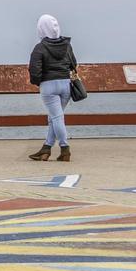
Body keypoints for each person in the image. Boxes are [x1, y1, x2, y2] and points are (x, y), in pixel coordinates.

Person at [27, 14, 77, 162]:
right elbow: (73, 64)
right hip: (65, 84)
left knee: (56, 117)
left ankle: (65, 148)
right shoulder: (67, 45)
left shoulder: (40, 47)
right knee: (55, 118)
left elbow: (34, 70)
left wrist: (39, 82)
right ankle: (46, 148)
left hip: (49, 85)